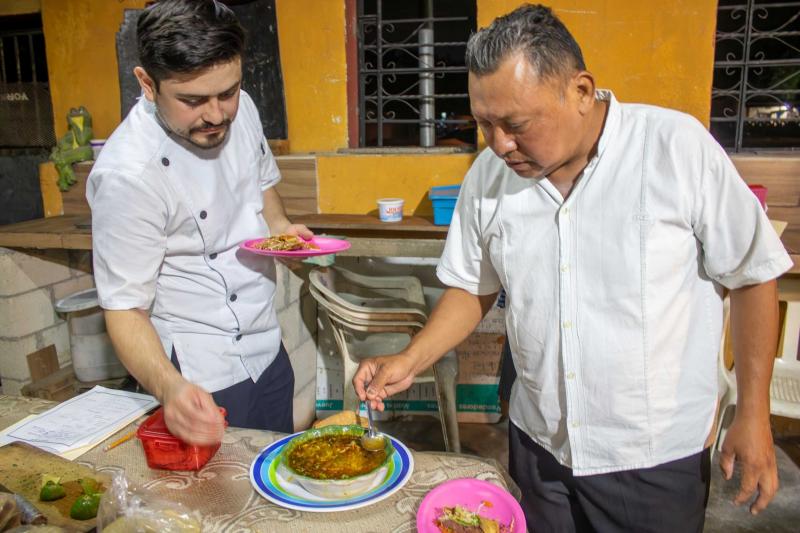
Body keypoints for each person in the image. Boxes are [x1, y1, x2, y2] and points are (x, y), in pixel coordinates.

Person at [354, 4, 790, 531]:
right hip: (539, 445)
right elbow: (473, 288)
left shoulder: (675, 149)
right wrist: (411, 357)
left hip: (651, 455)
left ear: (581, 91)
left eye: (515, 124)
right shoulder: (489, 178)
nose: (499, 144)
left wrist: (753, 413)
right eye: (484, 124)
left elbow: (752, 275)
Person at [87, 0, 310, 445]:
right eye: (192, 100)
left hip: (267, 345)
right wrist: (170, 388)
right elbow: (124, 308)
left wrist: (283, 228)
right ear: (147, 84)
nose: (216, 114)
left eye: (226, 92)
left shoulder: (240, 108)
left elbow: (261, 182)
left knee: (277, 482)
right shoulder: (128, 175)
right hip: (201, 374)